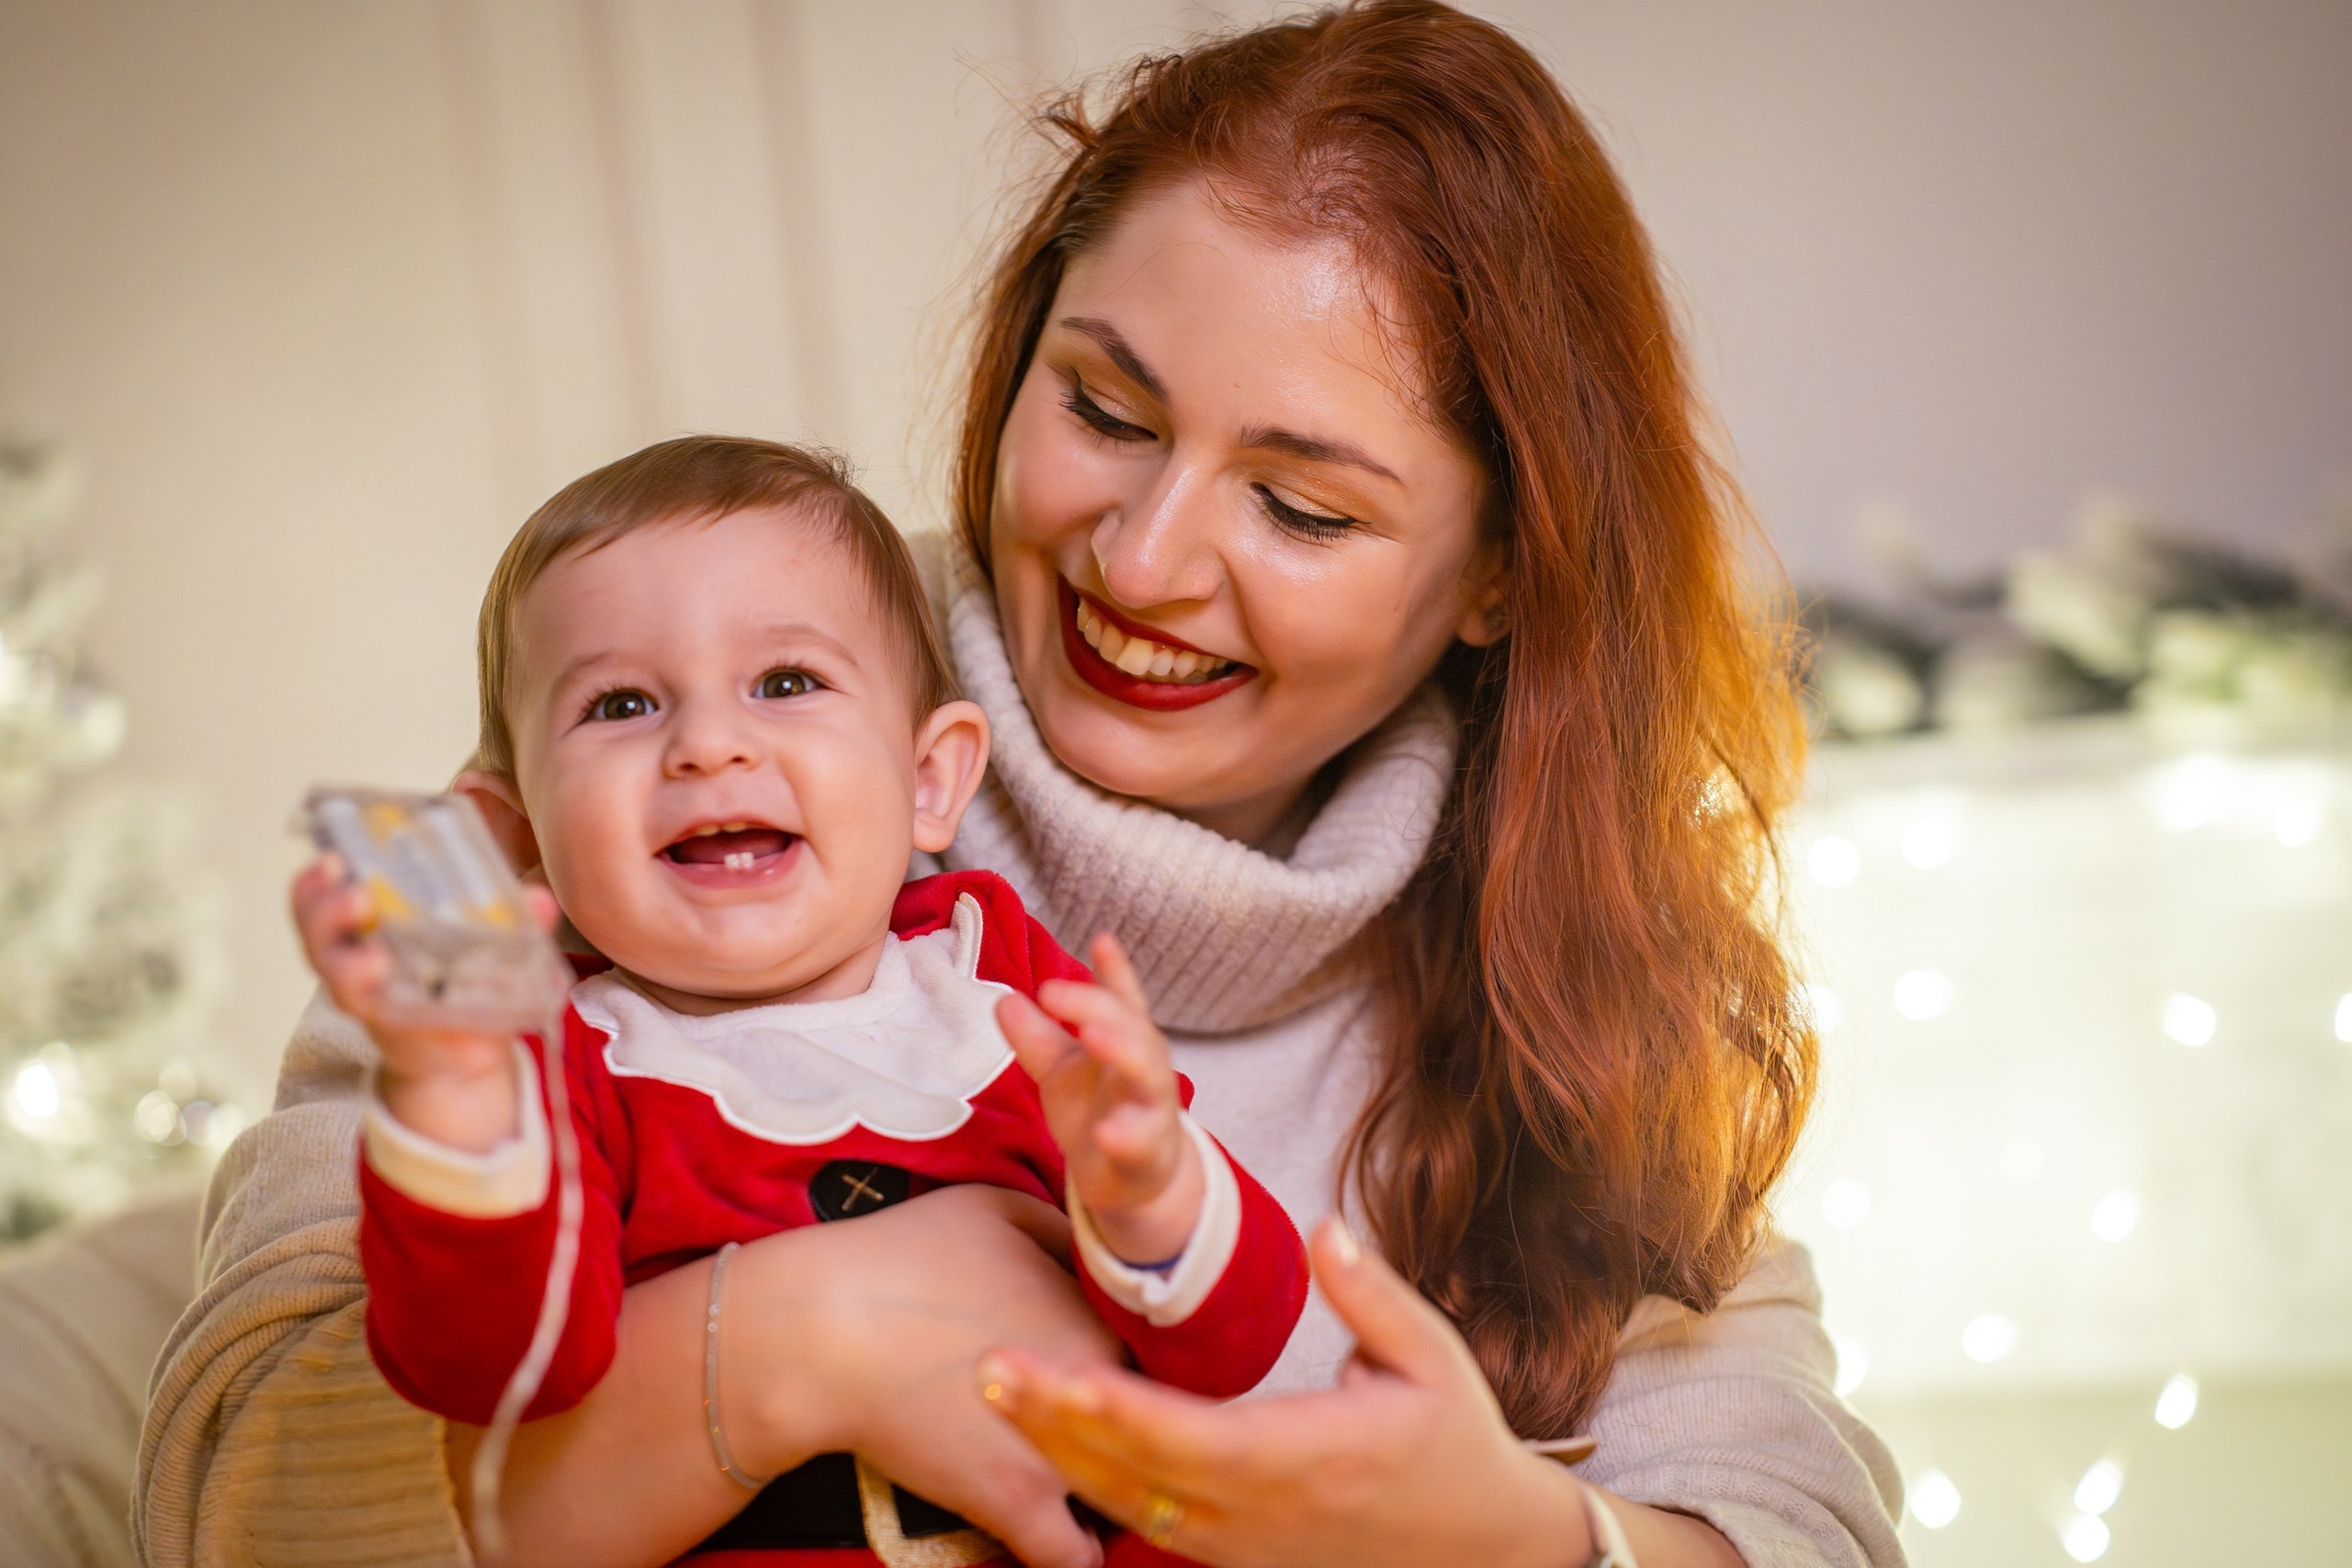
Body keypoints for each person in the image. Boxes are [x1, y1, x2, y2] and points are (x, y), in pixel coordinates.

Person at [137, 5, 1906, 1567]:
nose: (1142, 557)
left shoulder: (1572, 969)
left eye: (1299, 506)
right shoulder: (667, 744)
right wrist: (810, 1330)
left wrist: (1510, 1540)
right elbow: (235, 1503)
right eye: (1108, 409)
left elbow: (1802, 1524)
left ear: (1505, 572)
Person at [289, 436, 1307, 1563]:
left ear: (928, 780)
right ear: (515, 836)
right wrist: (454, 1101)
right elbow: (496, 1375)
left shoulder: (994, 982)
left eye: (786, 683)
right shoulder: (566, 1060)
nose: (710, 746)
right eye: (621, 704)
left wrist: (1154, 1193)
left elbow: (1236, 1344)